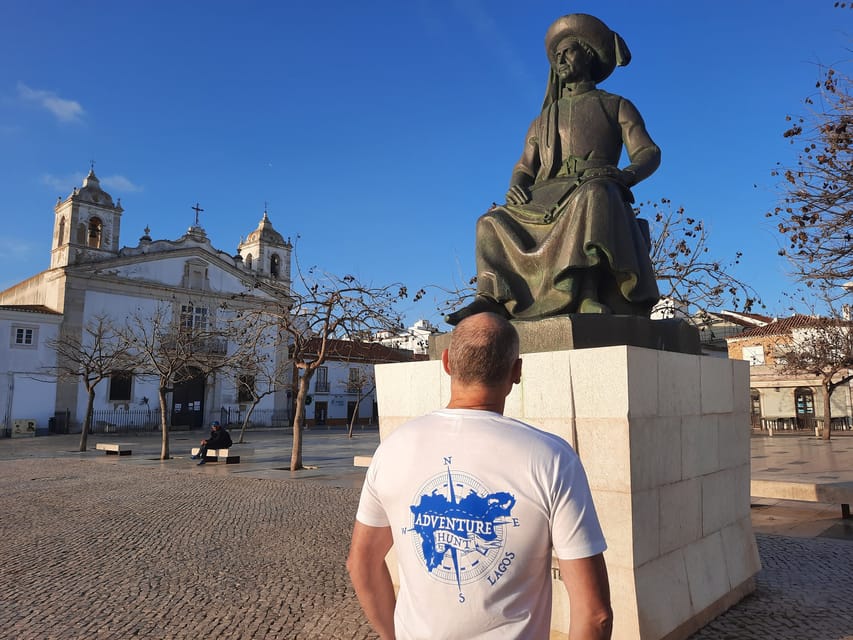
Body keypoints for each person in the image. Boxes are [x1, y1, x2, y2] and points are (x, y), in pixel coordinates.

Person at [347, 313, 612, 639]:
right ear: (517, 371)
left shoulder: (392, 449)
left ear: (446, 363)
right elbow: (595, 614)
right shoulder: (553, 459)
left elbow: (361, 564)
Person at [447, 13, 660, 325]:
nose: (560, 60)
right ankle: (491, 297)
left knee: (594, 195)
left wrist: (626, 175)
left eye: (568, 52)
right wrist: (517, 183)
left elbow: (648, 152)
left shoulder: (616, 105)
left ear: (587, 55)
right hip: (546, 193)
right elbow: (524, 166)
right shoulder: (542, 119)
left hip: (595, 184)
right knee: (489, 221)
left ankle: (584, 292)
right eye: (556, 56)